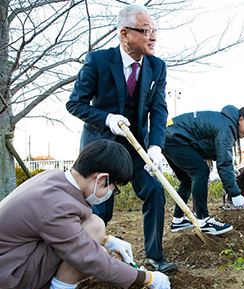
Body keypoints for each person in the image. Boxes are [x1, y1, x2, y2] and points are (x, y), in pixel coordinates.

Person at [0, 140, 171, 289]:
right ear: (101, 179)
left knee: (94, 227)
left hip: (10, 265)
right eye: (114, 188)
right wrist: (146, 278)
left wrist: (107, 240)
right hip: (7, 281)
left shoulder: (53, 178)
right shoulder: (57, 206)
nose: (111, 193)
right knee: (91, 238)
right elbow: (91, 259)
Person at [65, 4, 176, 273]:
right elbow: (75, 104)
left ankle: (154, 257)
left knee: (154, 191)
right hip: (102, 146)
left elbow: (159, 109)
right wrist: (107, 119)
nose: (153, 37)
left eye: (154, 31)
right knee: (101, 209)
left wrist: (156, 146)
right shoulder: (98, 61)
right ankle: (89, 260)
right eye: (146, 30)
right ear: (125, 34)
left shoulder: (157, 67)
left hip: (137, 147)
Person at [163, 105, 244, 235]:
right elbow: (224, 162)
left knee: (187, 180)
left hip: (168, 136)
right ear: (241, 120)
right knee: (201, 171)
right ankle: (204, 220)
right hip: (175, 137)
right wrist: (235, 193)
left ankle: (178, 220)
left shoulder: (224, 122)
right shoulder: (227, 126)